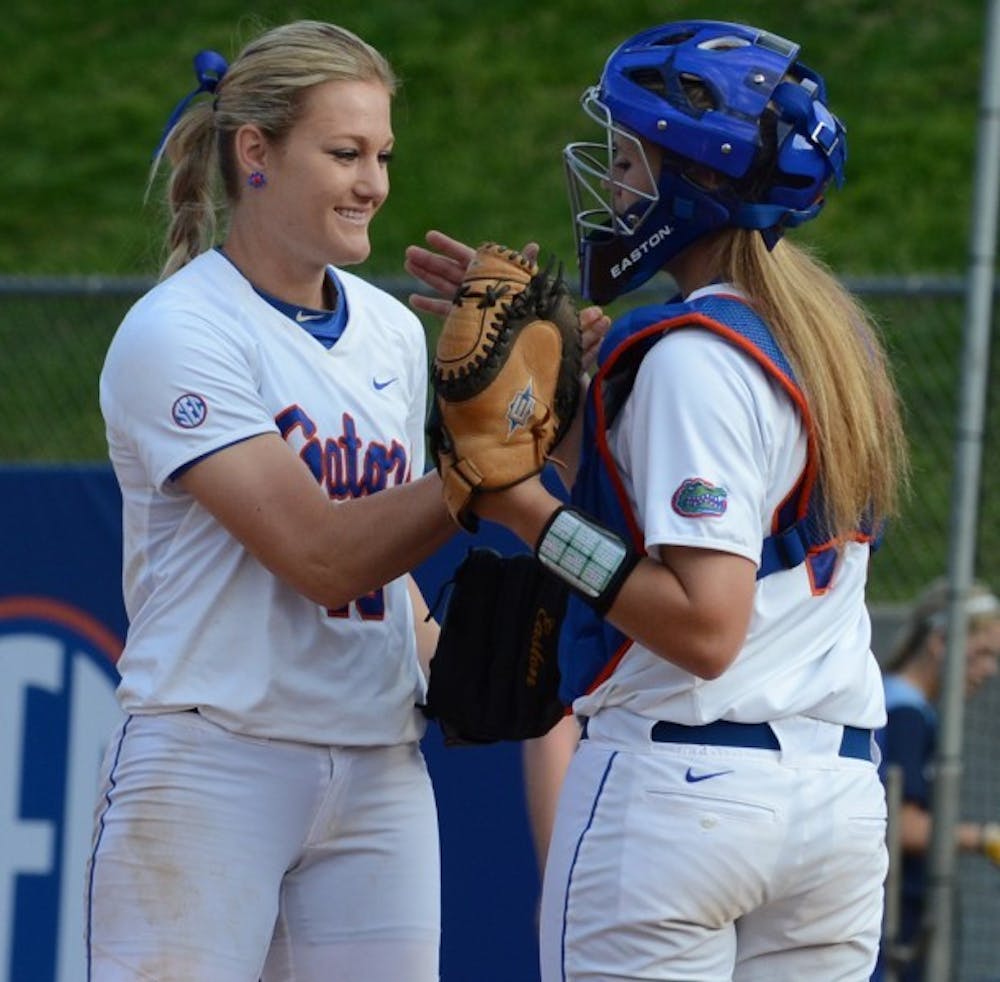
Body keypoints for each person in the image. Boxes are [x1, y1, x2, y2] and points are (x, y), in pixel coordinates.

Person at [407, 18, 910, 981]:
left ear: (693, 180)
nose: (614, 185)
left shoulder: (692, 360)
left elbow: (702, 625)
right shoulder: (826, 335)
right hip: (834, 800)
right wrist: (560, 427)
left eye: (631, 162)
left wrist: (520, 508)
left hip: (687, 792)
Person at [87, 20, 459, 981]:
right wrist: (486, 471)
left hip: (378, 767)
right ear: (255, 152)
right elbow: (322, 554)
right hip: (214, 760)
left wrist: (454, 663)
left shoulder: (390, 330)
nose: (373, 181)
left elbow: (383, 567)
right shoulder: (179, 329)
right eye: (343, 153)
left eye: (381, 153)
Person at [873, 578, 1000, 981]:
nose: (989, 670)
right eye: (981, 654)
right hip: (885, 921)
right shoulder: (903, 715)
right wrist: (983, 838)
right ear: (941, 641)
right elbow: (903, 826)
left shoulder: (908, 709)